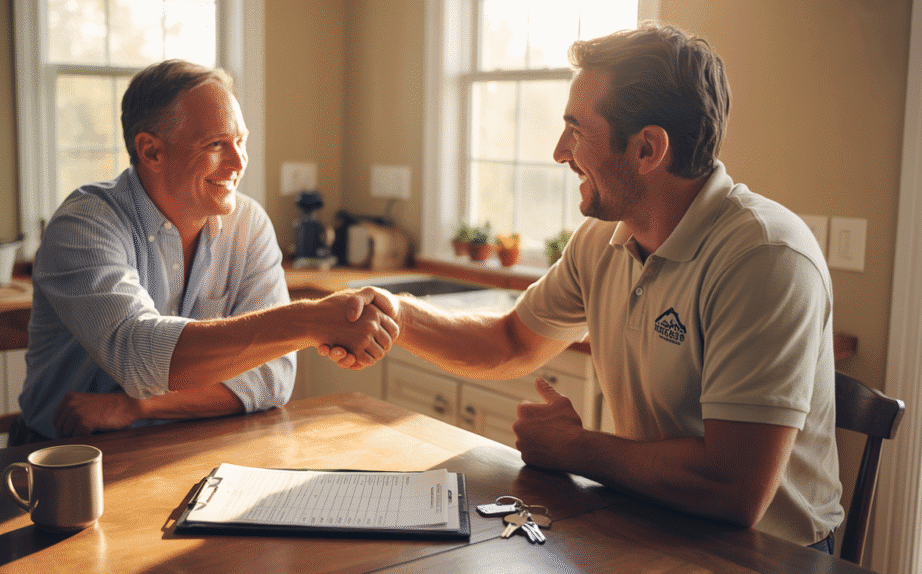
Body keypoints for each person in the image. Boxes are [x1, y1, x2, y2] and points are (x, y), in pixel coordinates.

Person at [324, 24, 844, 551]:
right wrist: (398, 315)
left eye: (576, 129)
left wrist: (575, 449)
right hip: (646, 522)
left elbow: (732, 488)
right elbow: (511, 343)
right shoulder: (602, 240)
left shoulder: (765, 258)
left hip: (767, 555)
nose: (558, 152)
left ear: (647, 148)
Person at [19, 59, 397, 441]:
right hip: (65, 461)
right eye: (216, 144)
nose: (238, 162)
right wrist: (308, 321)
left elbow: (271, 379)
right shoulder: (84, 225)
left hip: (189, 446)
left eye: (241, 141)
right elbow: (139, 357)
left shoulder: (249, 225)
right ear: (151, 152)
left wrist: (139, 407)